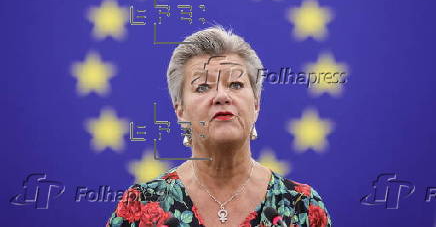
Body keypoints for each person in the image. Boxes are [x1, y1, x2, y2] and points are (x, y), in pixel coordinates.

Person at [106, 25, 332, 227]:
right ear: (180, 110)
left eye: (235, 84)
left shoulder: (302, 207)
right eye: (203, 87)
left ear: (256, 105)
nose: (222, 96)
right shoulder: (141, 207)